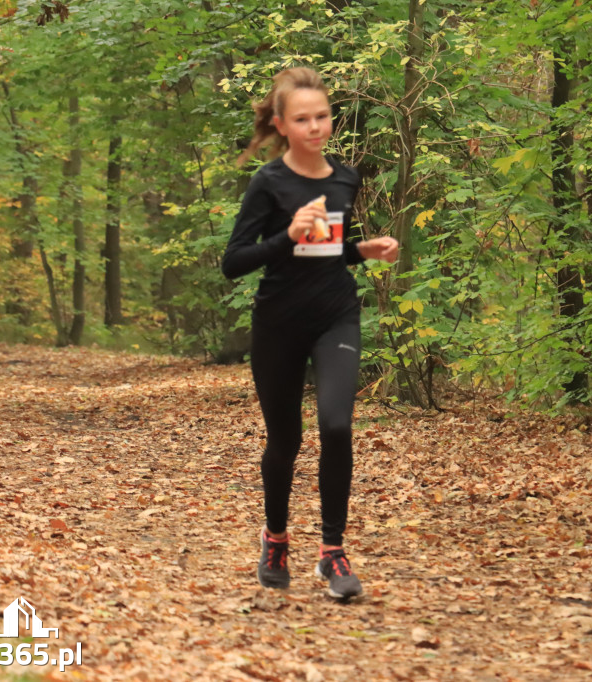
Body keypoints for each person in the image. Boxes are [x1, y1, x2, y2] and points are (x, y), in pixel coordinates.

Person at [221, 67, 399, 599]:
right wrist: (286, 235)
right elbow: (234, 262)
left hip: (335, 314)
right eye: (303, 119)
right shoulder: (269, 183)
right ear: (281, 124)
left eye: (322, 116)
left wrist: (362, 251)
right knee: (286, 440)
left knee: (337, 426)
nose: (316, 127)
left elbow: (332, 247)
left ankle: (332, 553)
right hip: (279, 323)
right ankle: (276, 538)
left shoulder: (345, 178)